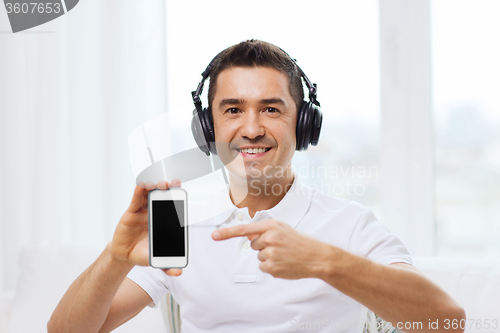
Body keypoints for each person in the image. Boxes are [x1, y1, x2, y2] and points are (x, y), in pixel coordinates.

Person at [48, 40, 465, 333]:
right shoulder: (178, 225)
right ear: (208, 130)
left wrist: (324, 262)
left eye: (271, 108)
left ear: (303, 125)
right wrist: (115, 257)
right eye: (232, 110)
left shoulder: (350, 226)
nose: (251, 129)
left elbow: (446, 322)